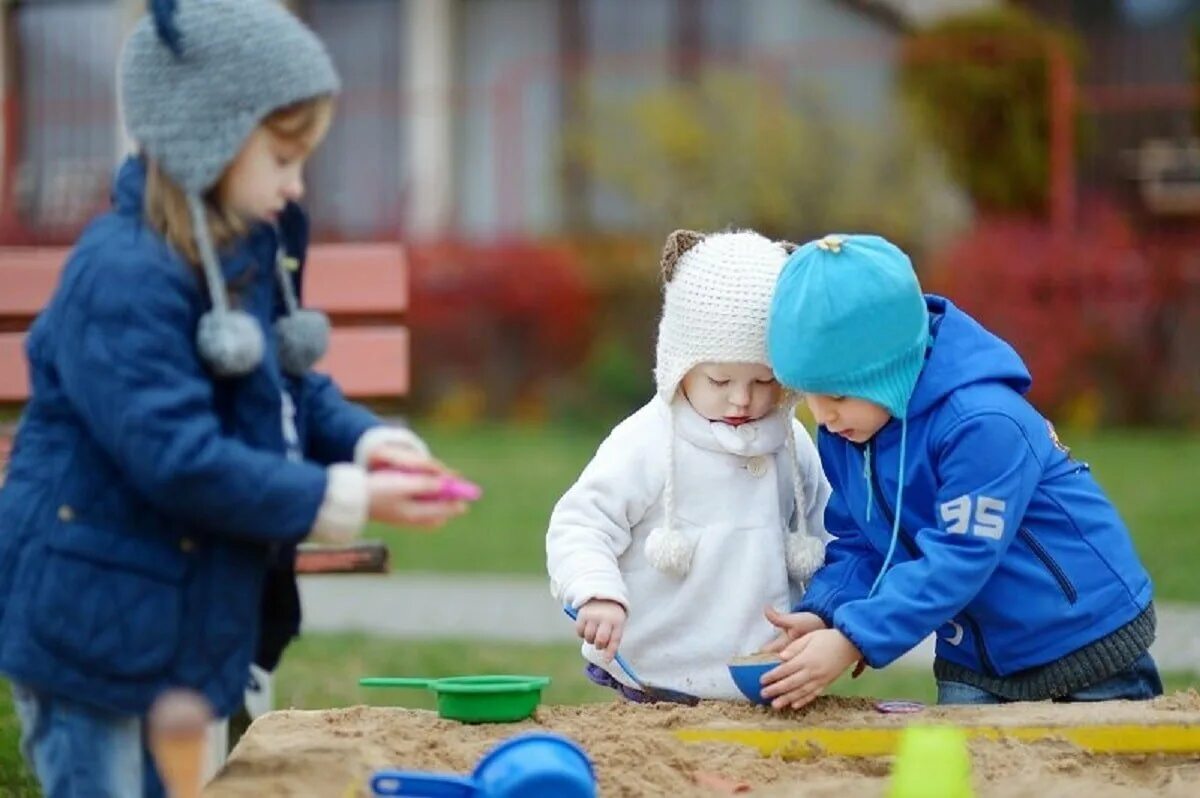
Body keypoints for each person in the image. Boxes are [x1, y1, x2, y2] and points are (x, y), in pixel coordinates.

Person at [0, 2, 465, 795]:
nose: (297, 183)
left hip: (172, 614)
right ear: (204, 141)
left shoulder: (242, 253)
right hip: (89, 621)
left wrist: (362, 441)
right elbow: (176, 460)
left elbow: (288, 389)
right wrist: (337, 495)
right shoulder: (123, 277)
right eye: (284, 157)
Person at [759, 233, 1161, 709]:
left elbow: (959, 555)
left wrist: (855, 637)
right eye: (809, 394)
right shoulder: (849, 433)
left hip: (1084, 640)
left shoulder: (984, 422)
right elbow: (864, 544)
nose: (822, 416)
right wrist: (829, 613)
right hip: (974, 656)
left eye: (839, 395)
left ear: (887, 371)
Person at [546, 229, 829, 701]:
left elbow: (828, 529)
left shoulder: (791, 442)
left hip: (762, 669)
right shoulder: (647, 441)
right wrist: (597, 592)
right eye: (720, 379)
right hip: (660, 673)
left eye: (764, 380)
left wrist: (831, 616)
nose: (742, 398)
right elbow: (581, 523)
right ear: (680, 365)